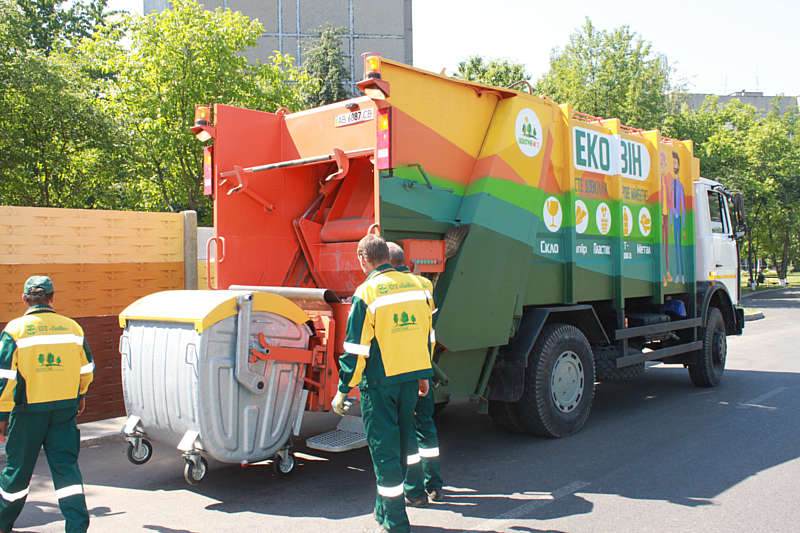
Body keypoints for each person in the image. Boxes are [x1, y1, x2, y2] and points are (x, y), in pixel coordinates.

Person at [332, 235, 434, 533]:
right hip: (410, 379)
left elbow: (356, 349)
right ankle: (382, 511)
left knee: (384, 451)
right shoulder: (419, 286)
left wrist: (342, 389)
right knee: (404, 445)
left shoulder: (367, 293)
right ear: (388, 257)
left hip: (380, 384)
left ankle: (396, 523)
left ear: (362, 259)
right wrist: (424, 374)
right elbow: (426, 334)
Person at [0, 276, 94, 533]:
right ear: (52, 298)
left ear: (24, 300)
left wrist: (2, 414)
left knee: (17, 471)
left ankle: (3, 522)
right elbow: (87, 369)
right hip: (64, 409)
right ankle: (76, 527)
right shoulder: (72, 328)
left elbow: (5, 377)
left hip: (28, 411)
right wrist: (81, 395)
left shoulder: (14, 330)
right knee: (66, 470)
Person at [386, 242, 444, 507]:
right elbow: (427, 329)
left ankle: (414, 491)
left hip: (400, 371)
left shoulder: (383, 288)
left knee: (405, 432)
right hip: (423, 365)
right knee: (426, 426)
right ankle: (434, 485)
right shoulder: (424, 286)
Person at [670, 152, 686, 284]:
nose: (675, 166)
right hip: (673, 219)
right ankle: (676, 274)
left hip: (679, 220)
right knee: (674, 249)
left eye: (676, 163)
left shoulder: (679, 185)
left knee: (678, 249)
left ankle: (680, 273)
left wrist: (685, 226)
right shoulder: (670, 184)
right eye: (673, 163)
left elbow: (683, 206)